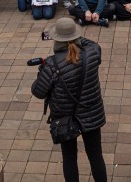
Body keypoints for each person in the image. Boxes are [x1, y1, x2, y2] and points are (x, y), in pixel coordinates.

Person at [31, 18, 107, 182]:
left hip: (66, 119)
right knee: (95, 155)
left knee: (69, 158)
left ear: (56, 39)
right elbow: (92, 44)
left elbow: (38, 92)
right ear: (77, 36)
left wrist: (41, 71)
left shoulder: (51, 64)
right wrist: (75, 38)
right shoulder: (93, 53)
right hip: (92, 113)